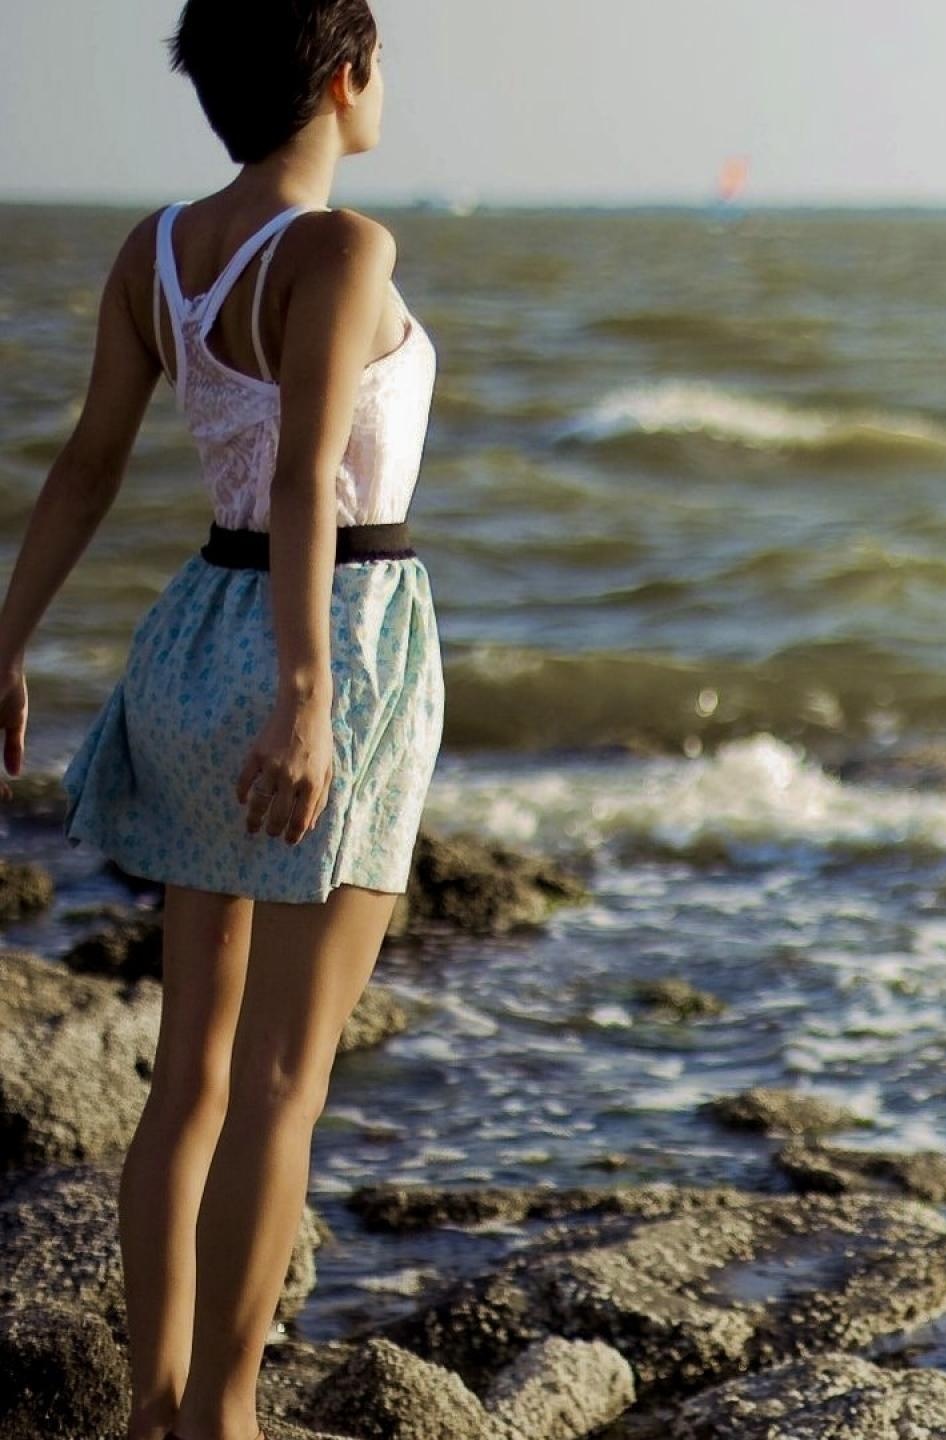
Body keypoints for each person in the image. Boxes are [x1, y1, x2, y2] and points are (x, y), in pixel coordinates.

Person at [0, 3, 442, 1436]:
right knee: (278, 1085)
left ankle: (154, 1413)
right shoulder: (341, 249)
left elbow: (85, 467)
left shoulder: (158, 251)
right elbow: (313, 479)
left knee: (188, 1074)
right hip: (335, 646)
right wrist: (311, 699)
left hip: (195, 639)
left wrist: (6, 647)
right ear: (341, 74)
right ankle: (225, 1422)